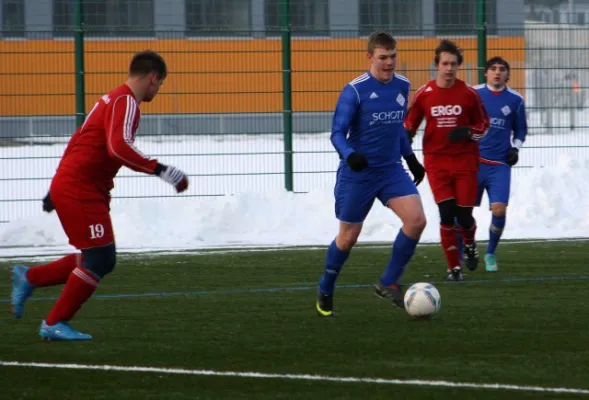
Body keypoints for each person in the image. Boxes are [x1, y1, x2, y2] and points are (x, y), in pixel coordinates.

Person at [10, 50, 189, 341]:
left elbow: (78, 139)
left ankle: (29, 278)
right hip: (81, 188)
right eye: (160, 84)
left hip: (78, 186)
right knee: (100, 258)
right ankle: (53, 322)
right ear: (153, 78)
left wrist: (54, 187)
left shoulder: (110, 99)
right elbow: (117, 148)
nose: (158, 90)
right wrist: (162, 170)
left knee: (97, 256)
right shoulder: (127, 102)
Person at [316, 31, 427, 317]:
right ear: (369, 57)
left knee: (416, 221)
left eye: (393, 57)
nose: (389, 63)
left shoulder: (403, 86)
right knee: (348, 237)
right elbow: (337, 133)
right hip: (359, 174)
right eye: (383, 58)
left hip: (390, 169)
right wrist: (349, 155)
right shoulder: (354, 90)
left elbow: (398, 128)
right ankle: (327, 286)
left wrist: (411, 158)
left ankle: (388, 281)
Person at [404, 39, 490, 281]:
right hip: (436, 161)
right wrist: (406, 137)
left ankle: (470, 245)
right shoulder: (425, 94)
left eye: (453, 64)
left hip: (465, 161)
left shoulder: (469, 94)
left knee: (464, 216)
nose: (449, 68)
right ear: (437, 65)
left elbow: (484, 125)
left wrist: (468, 132)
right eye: (445, 63)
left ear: (458, 66)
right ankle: (454, 267)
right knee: (446, 213)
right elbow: (410, 122)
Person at [472, 56, 527, 272]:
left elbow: (521, 129)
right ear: (486, 73)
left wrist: (516, 148)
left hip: (499, 165)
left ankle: (490, 254)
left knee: (499, 209)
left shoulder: (515, 99)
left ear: (507, 74)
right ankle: (463, 252)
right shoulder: (474, 94)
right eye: (493, 69)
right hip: (473, 162)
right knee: (463, 212)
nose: (497, 72)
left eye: (502, 69)